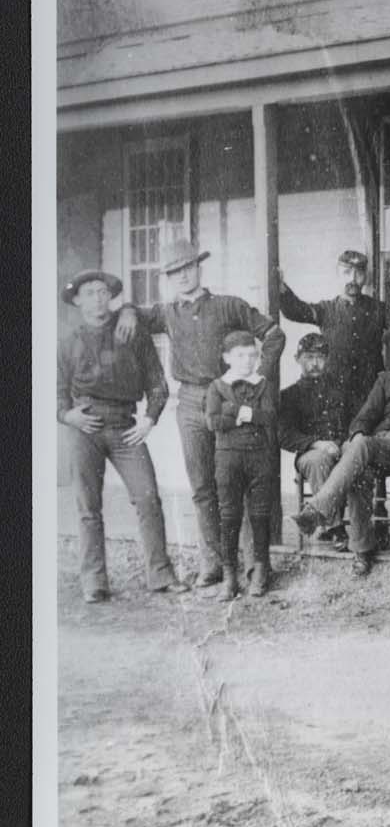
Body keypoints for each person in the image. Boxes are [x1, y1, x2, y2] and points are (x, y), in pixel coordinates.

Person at [114, 238, 285, 585]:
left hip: (230, 399)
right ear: (168, 277)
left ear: (198, 268)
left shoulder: (228, 305)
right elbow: (134, 313)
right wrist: (130, 310)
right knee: (203, 485)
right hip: (190, 404)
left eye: (187, 268)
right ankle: (216, 564)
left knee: (243, 482)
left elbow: (274, 334)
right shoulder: (166, 312)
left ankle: (255, 566)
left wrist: (258, 377)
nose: (181, 276)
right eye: (174, 271)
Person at [58, 269, 186, 602]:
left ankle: (160, 574)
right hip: (84, 427)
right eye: (89, 293)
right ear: (77, 301)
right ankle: (94, 582)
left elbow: (157, 383)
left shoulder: (132, 331)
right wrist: (67, 415)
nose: (98, 298)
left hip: (125, 426)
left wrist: (149, 420)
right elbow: (54, 392)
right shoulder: (67, 341)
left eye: (103, 291)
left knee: (147, 497)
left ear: (111, 297)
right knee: (88, 506)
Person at [295, 312, 390, 577]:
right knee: (358, 466)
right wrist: (358, 433)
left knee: (361, 449)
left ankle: (319, 511)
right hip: (378, 444)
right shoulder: (386, 378)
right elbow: (364, 416)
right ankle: (362, 550)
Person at [203, 330, 279, 599]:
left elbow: (269, 417)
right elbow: (212, 422)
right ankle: (229, 577)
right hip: (227, 458)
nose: (247, 361)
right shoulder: (217, 386)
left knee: (259, 516)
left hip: (259, 457)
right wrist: (247, 417)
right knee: (229, 516)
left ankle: (260, 571)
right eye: (240, 356)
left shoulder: (264, 385)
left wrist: (233, 411)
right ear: (226, 358)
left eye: (252, 355)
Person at [278, 250, 390, 423]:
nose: (353, 279)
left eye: (359, 273)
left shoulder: (379, 309)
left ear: (366, 276)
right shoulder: (326, 310)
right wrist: (280, 286)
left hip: (371, 393)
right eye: (347, 273)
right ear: (338, 275)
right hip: (335, 394)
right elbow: (296, 310)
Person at [277, 332, 357, 552]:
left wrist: (343, 444)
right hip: (310, 453)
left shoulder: (342, 391)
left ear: (328, 360)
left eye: (320, 357)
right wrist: (317, 443)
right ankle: (336, 528)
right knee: (319, 460)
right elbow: (284, 435)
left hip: (342, 447)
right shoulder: (289, 396)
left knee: (355, 452)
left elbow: (357, 421)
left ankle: (319, 516)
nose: (314, 363)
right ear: (297, 359)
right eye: (309, 357)